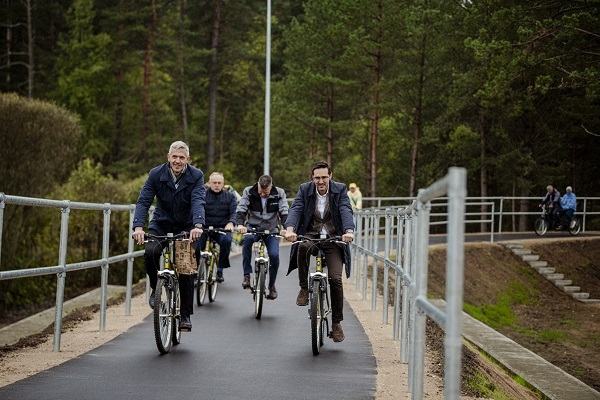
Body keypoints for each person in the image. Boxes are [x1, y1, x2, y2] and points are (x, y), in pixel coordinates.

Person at [132, 141, 205, 332]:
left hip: (186, 226)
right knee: (150, 252)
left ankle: (185, 315)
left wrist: (198, 225)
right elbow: (144, 200)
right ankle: (156, 288)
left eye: (182, 158)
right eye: (175, 157)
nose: (178, 161)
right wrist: (138, 227)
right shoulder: (156, 174)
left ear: (187, 159)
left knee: (185, 267)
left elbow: (198, 199)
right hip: (161, 223)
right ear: (168, 157)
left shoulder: (196, 175)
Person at [281, 161, 355, 343]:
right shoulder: (305, 190)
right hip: (311, 235)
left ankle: (336, 323)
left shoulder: (340, 189)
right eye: (317, 178)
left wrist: (348, 231)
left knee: (335, 279)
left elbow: (346, 209)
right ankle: (304, 289)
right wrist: (290, 229)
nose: (320, 181)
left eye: (324, 177)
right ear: (312, 178)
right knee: (302, 247)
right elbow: (296, 209)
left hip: (333, 239)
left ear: (330, 175)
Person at [236, 175, 288, 299]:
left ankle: (271, 285)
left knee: (274, 255)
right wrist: (239, 224)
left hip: (271, 229)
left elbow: (284, 211)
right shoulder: (249, 191)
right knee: (247, 241)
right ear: (258, 184)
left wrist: (286, 228)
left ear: (271, 186)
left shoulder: (279, 193)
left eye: (266, 192)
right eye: (261, 191)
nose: (263, 194)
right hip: (253, 227)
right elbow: (241, 209)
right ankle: (247, 275)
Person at [199, 172, 238, 282]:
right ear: (209, 183)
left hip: (222, 228)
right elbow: (196, 210)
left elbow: (234, 213)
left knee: (226, 241)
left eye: (219, 183)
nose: (217, 185)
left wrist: (231, 223)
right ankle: (196, 271)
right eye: (214, 182)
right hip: (204, 227)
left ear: (223, 184)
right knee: (196, 245)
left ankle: (220, 269)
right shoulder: (202, 195)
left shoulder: (230, 197)